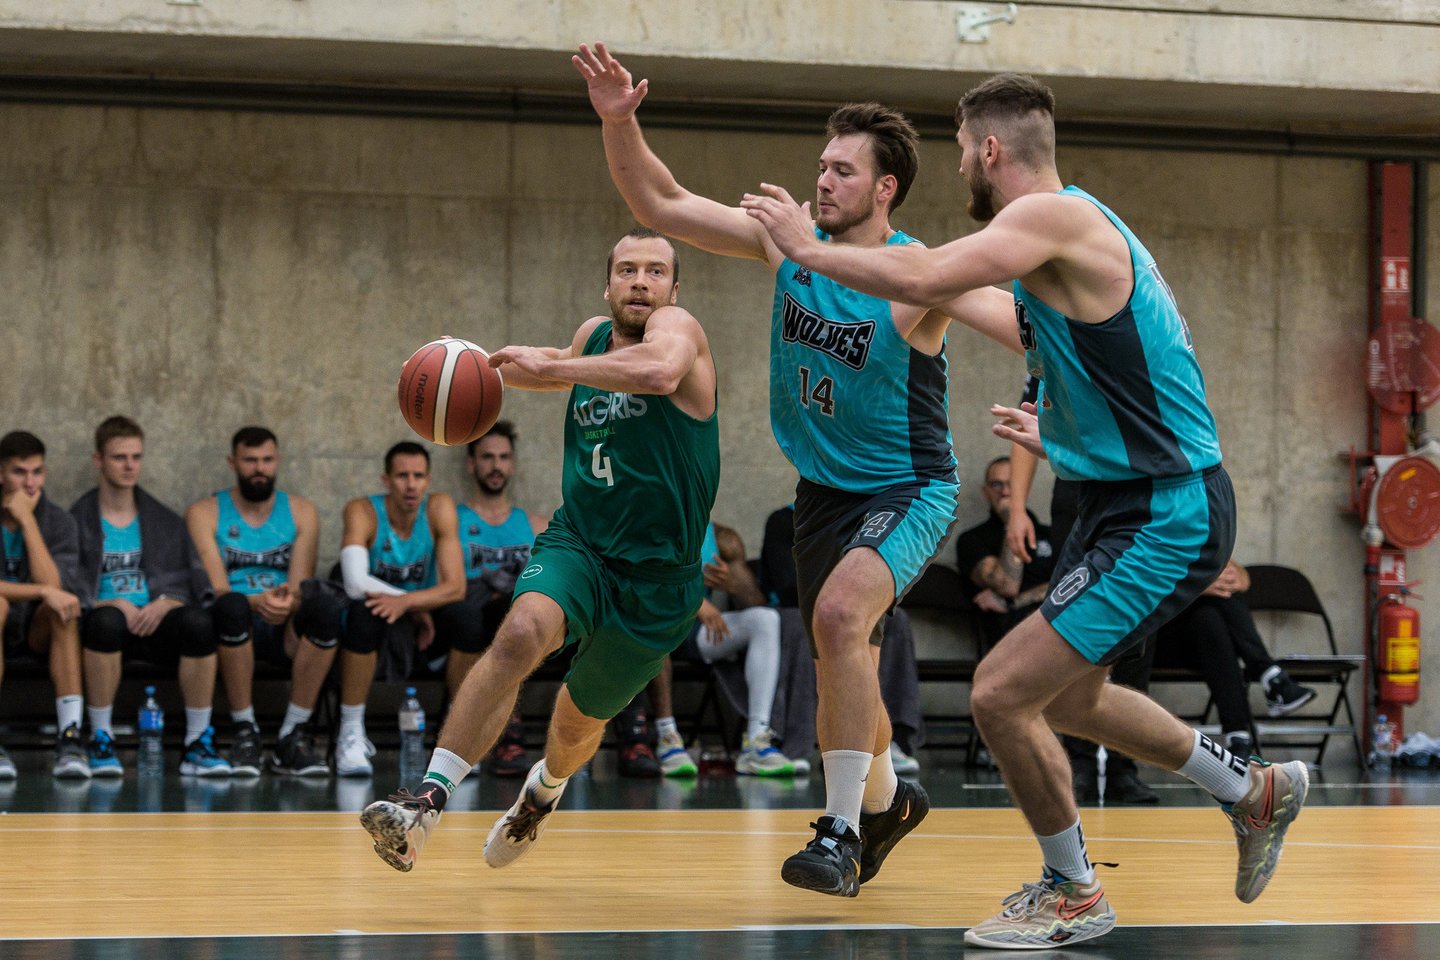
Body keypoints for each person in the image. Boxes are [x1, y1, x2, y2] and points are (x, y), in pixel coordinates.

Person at [743, 73, 1308, 948]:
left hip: (1164, 507)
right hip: (1123, 497)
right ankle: (1250, 790)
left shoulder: (1050, 216)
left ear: (989, 148)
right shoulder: (1056, 241)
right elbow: (1115, 358)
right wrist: (1069, 435)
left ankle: (1074, 891)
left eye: (961, 150)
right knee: (1073, 699)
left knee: (999, 694)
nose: (957, 166)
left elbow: (926, 272)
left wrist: (800, 247)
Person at [573, 41, 1018, 898]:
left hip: (907, 486)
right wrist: (619, 121)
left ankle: (840, 832)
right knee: (840, 653)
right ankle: (887, 802)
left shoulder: (917, 274)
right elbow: (658, 201)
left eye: (843, 171)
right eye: (821, 166)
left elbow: (1014, 321)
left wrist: (1064, 389)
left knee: (842, 618)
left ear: (885, 189)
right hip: (823, 492)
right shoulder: (791, 244)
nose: (823, 181)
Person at [359, 227, 720, 874]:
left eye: (656, 271)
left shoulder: (679, 333)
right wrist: (475, 371)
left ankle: (542, 793)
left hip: (660, 581)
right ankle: (424, 803)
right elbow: (558, 363)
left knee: (576, 726)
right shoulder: (591, 340)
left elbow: (656, 372)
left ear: (674, 289)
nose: (641, 281)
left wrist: (555, 368)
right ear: (607, 286)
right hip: (582, 542)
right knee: (521, 630)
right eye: (627, 270)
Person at [1005, 421, 1161, 806]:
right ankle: (1081, 763)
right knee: (1073, 627)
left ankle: (1125, 767)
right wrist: (1017, 509)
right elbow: (1024, 426)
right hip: (1077, 500)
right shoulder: (1057, 377)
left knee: (1133, 636)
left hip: (1139, 497)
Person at [71, 416, 229, 777]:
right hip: (105, 626)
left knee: (199, 624)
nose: (129, 466)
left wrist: (167, 601)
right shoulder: (77, 520)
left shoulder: (163, 519)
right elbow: (68, 589)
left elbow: (190, 582)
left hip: (155, 621)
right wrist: (109, 602)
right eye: (119, 457)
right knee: (105, 622)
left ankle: (197, 743)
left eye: (136, 457)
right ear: (98, 460)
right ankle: (101, 738)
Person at [186, 426, 324, 776]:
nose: (259, 468)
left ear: (277, 461)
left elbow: (300, 587)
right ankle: (244, 730)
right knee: (230, 605)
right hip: (233, 623)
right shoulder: (205, 512)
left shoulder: (302, 511)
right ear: (232, 462)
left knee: (324, 608)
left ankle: (293, 734)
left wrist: (287, 604)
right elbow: (217, 589)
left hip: (283, 625)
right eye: (250, 460)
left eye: (266, 460)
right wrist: (257, 601)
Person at [333, 442, 466, 776]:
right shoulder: (362, 510)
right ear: (386, 480)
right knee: (362, 614)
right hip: (382, 618)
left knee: (468, 618)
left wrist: (407, 602)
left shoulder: (438, 507)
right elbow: (354, 582)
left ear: (428, 480)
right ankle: (350, 732)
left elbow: (455, 587)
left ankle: (459, 735)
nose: (411, 484)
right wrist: (411, 605)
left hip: (423, 617)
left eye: (418, 476)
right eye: (402, 476)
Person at [431, 421, 547, 777]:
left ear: (512, 464)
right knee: (476, 615)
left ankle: (508, 729)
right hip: (466, 624)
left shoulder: (536, 524)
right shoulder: (452, 520)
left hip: (516, 625)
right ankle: (474, 727)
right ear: (471, 464)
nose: (496, 466)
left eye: (503, 457)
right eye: (487, 457)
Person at [663, 519, 796, 776]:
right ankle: (666, 738)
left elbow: (756, 602)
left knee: (766, 619)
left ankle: (756, 740)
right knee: (653, 632)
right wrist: (694, 601)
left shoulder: (722, 539)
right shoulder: (648, 524)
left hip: (694, 635)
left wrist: (734, 585)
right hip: (652, 627)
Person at [1155, 559, 1317, 758]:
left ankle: (1239, 737)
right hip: (1151, 642)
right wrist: (1192, 585)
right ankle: (1270, 678)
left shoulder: (1195, 542)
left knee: (1209, 615)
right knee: (1212, 600)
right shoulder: (1146, 541)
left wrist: (1235, 576)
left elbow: (1240, 577)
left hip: (1202, 643)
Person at [0, 430, 85, 779]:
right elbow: (45, 589)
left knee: (62, 610)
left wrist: (28, 521)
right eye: (19, 472)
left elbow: (55, 589)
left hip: (36, 631)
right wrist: (39, 592)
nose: (30, 483)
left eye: (37, 472)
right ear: (1, 474)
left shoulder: (59, 521)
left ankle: (70, 738)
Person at [953, 455, 1055, 654]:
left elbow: (1072, 585)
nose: (1005, 492)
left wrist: (1013, 602)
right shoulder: (972, 539)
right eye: (997, 484)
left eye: (1012, 484)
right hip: (1010, 639)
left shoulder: (1050, 534)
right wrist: (1012, 520)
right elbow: (1007, 584)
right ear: (986, 492)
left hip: (1059, 626)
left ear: (1025, 488)